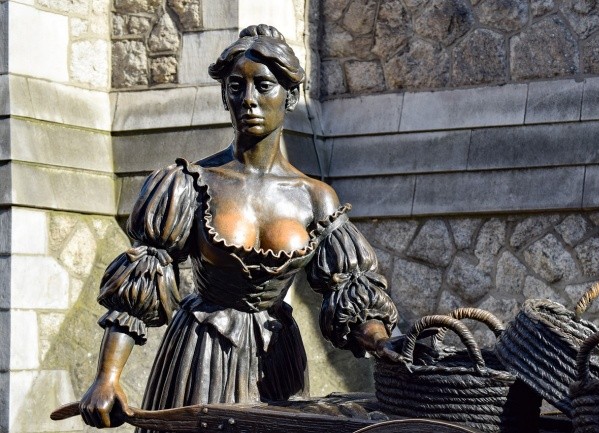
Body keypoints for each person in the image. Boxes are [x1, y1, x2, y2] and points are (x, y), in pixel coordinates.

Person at [78, 24, 399, 431]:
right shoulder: (188, 184)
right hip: (201, 355)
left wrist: (382, 341)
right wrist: (107, 377)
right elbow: (138, 288)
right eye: (235, 87)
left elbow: (351, 292)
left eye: (263, 86)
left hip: (277, 360)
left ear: (290, 96)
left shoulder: (316, 199)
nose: (248, 99)